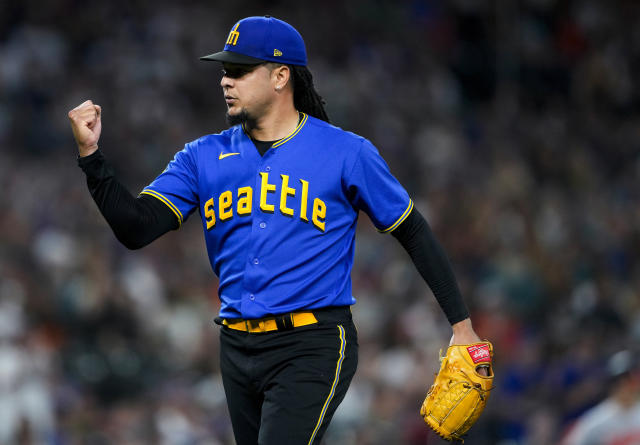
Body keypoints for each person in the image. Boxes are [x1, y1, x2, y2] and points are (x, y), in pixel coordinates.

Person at [68, 15, 487, 445]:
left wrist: (461, 326)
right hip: (236, 346)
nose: (226, 82)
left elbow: (412, 230)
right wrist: (92, 156)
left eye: (239, 70)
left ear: (280, 76)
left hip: (313, 344)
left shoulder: (345, 152)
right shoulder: (202, 157)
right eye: (224, 72)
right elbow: (135, 229)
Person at [561, 350, 640, 445]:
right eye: (623, 381)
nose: (628, 386)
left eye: (633, 379)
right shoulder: (597, 420)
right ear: (613, 384)